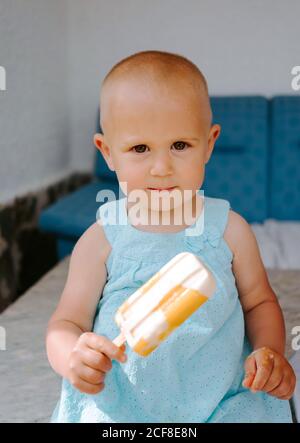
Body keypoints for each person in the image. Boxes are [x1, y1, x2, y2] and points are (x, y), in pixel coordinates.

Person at [46, 50, 295, 423]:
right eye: (140, 148)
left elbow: (259, 303)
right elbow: (65, 324)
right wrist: (72, 356)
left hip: (220, 399)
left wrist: (269, 351)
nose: (161, 168)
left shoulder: (230, 230)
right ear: (108, 152)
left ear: (209, 144)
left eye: (180, 145)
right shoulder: (102, 240)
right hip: (123, 402)